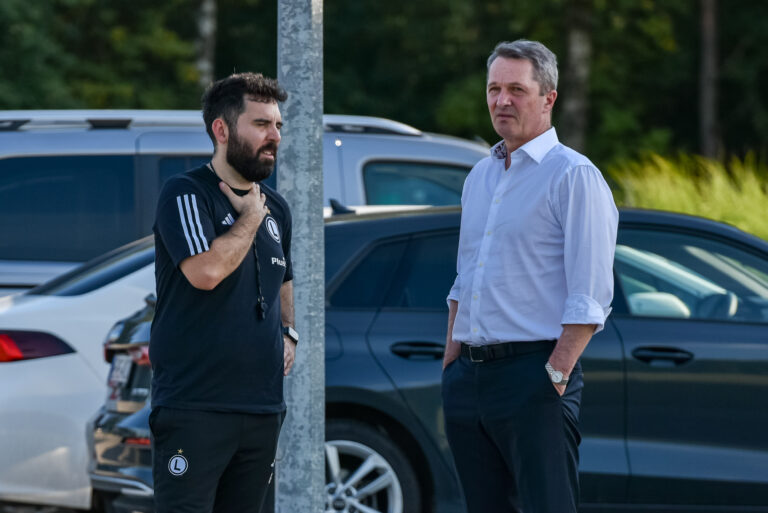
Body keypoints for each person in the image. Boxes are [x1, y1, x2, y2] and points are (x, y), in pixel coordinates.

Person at [441, 40, 618, 513]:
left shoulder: (573, 175)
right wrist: (451, 364)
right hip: (469, 380)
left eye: (517, 89)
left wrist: (553, 377)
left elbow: (591, 295)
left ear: (549, 98)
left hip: (534, 377)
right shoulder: (479, 176)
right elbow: (464, 280)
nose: (502, 100)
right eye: (494, 88)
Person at [149, 72, 299, 513]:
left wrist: (290, 333)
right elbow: (207, 271)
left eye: (278, 126)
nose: (273, 136)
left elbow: (284, 278)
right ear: (221, 129)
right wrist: (250, 216)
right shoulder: (186, 194)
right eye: (260, 125)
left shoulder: (279, 210)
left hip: (261, 409)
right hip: (195, 408)